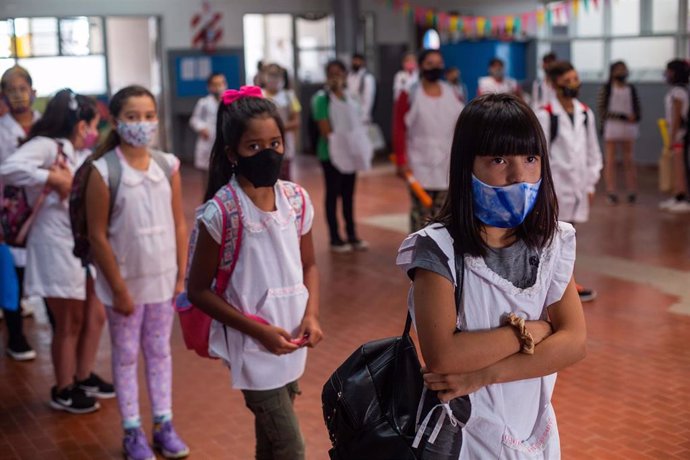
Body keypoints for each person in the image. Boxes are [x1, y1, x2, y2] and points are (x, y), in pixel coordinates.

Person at [396, 93, 586, 459]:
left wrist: (482, 374)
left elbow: (575, 343)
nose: (518, 176)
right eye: (498, 160)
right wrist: (537, 329)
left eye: (530, 159)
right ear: (467, 165)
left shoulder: (552, 242)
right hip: (466, 438)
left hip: (535, 430)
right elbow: (445, 358)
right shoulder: (438, 249)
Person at [186, 86, 323, 460]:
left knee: (270, 441)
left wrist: (311, 314)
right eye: (254, 147)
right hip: (252, 345)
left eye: (276, 143)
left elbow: (309, 263)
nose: (268, 154)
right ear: (232, 154)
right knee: (290, 446)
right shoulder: (222, 212)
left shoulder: (296, 200)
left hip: (292, 338)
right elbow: (198, 290)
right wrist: (258, 330)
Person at [85, 85, 189, 460]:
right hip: (124, 286)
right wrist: (118, 288)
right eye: (132, 117)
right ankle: (132, 431)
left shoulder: (168, 166)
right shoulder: (104, 171)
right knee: (126, 355)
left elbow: (178, 223)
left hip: (163, 282)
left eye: (148, 116)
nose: (142, 124)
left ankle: (164, 424)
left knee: (160, 352)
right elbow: (97, 235)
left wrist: (180, 276)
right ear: (115, 122)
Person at [0, 89, 113, 413]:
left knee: (95, 313)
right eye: (92, 125)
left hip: (79, 244)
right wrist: (51, 177)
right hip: (55, 243)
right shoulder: (48, 146)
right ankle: (63, 388)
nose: (93, 132)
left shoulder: (74, 151)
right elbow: (8, 167)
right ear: (79, 124)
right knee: (69, 320)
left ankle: (83, 374)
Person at [537, 61, 602, 303]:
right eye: (567, 81)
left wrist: (591, 184)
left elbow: (593, 152)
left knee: (568, 235)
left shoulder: (585, 113)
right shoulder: (545, 114)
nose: (573, 85)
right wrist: (544, 190)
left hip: (577, 186)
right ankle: (554, 287)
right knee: (547, 237)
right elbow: (538, 156)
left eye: (575, 79)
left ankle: (566, 283)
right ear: (554, 85)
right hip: (554, 187)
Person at [393, 49, 464, 232]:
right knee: (420, 215)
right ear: (421, 66)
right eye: (429, 63)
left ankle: (441, 257)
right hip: (418, 163)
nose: (435, 67)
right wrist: (401, 160)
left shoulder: (453, 92)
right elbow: (399, 128)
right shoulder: (409, 93)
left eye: (438, 63)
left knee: (445, 216)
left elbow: (463, 124)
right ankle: (418, 257)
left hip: (447, 163)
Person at [0, 65, 41, 361]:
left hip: (43, 211)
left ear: (33, 92)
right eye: (10, 91)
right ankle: (16, 337)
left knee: (37, 270)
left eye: (22, 89)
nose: (17, 96)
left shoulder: (44, 126)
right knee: (10, 274)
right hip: (8, 214)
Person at [312, 60, 370, 252]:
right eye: (332, 73)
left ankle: (352, 235)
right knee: (333, 194)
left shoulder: (351, 98)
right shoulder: (321, 99)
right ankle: (335, 237)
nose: (336, 76)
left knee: (348, 195)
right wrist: (340, 142)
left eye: (339, 72)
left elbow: (358, 124)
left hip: (350, 154)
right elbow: (324, 128)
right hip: (331, 154)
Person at [597, 61, 641, 205]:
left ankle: (632, 190)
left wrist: (635, 116)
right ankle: (611, 191)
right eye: (619, 69)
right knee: (610, 160)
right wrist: (621, 116)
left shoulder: (631, 88)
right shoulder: (607, 88)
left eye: (624, 69)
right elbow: (601, 110)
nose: (622, 72)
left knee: (629, 159)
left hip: (629, 127)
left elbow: (637, 107)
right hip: (611, 127)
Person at [659, 59, 690, 213]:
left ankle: (683, 197)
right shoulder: (676, 91)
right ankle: (677, 194)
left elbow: (677, 116)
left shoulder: (679, 92)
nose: (666, 74)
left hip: (679, 134)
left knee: (680, 166)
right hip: (676, 133)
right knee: (676, 166)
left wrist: (672, 136)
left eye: (669, 71)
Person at [262, 64, 302, 181]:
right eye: (270, 75)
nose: (273, 79)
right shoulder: (259, 95)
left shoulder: (289, 96)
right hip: (264, 143)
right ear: (264, 77)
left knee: (285, 177)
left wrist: (276, 128)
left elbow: (296, 122)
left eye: (276, 75)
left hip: (285, 143)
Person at [189, 72, 227, 170]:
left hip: (224, 140)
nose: (218, 87)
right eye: (215, 84)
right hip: (208, 140)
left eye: (220, 84)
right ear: (209, 87)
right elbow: (194, 119)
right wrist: (202, 128)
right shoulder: (204, 103)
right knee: (207, 172)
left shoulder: (228, 102)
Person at [347, 53, 377, 124]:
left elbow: (368, 98)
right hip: (350, 113)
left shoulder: (367, 77)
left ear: (363, 62)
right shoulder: (349, 76)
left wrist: (364, 115)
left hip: (362, 114)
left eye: (358, 60)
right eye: (354, 60)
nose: (356, 62)